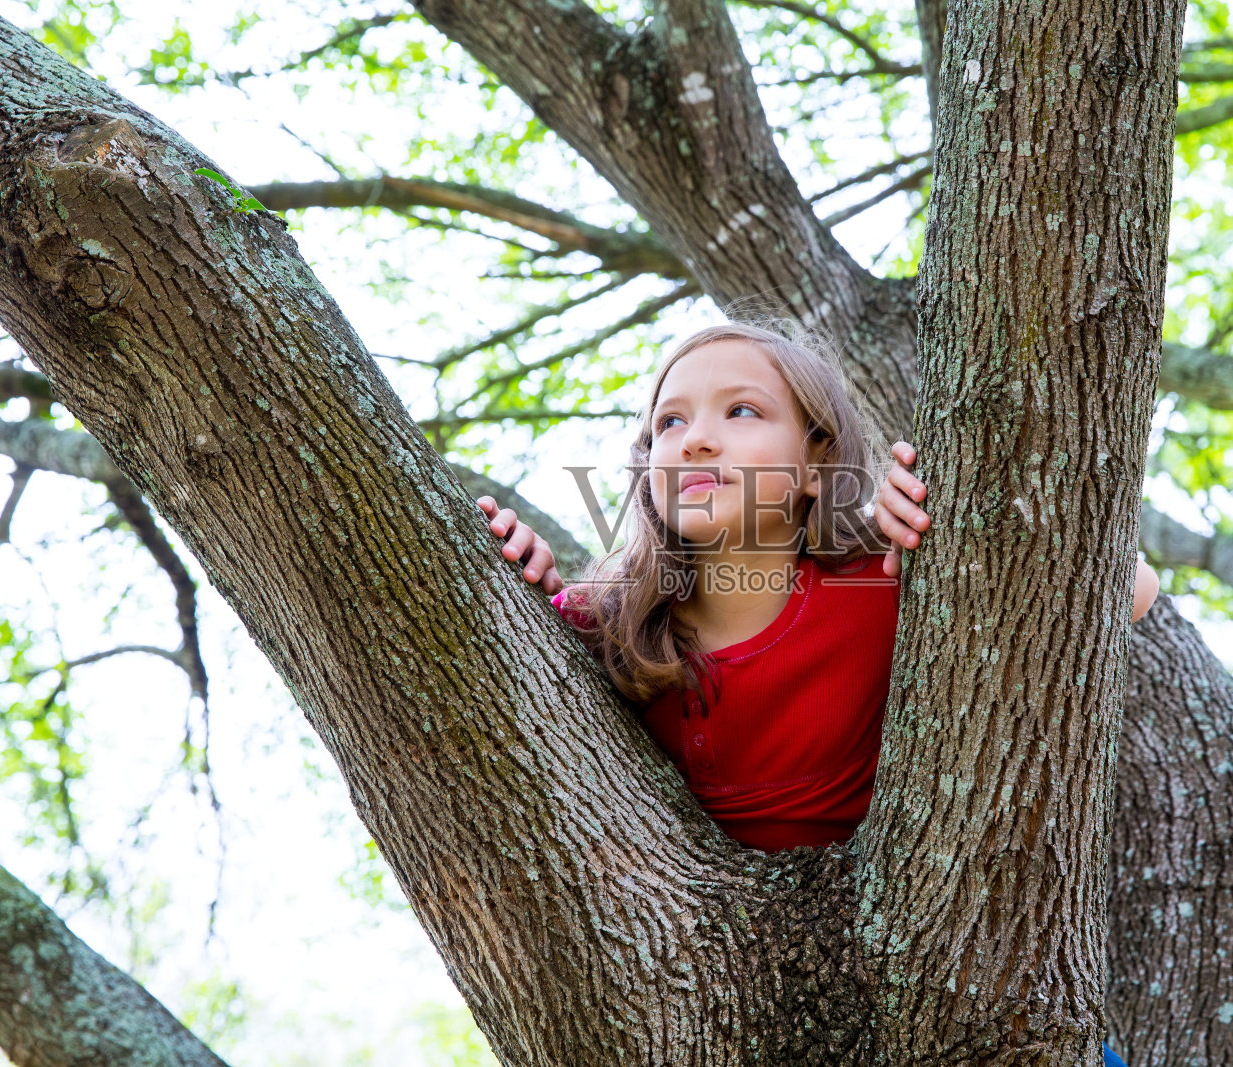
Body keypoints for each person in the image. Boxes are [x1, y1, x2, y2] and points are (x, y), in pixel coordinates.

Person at [475, 319, 1155, 1060]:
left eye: (742, 411)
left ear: (814, 463)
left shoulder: (883, 584)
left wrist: (957, 525)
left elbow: (1129, 589)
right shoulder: (603, 628)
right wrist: (516, 584)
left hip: (947, 995)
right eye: (670, 422)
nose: (697, 439)